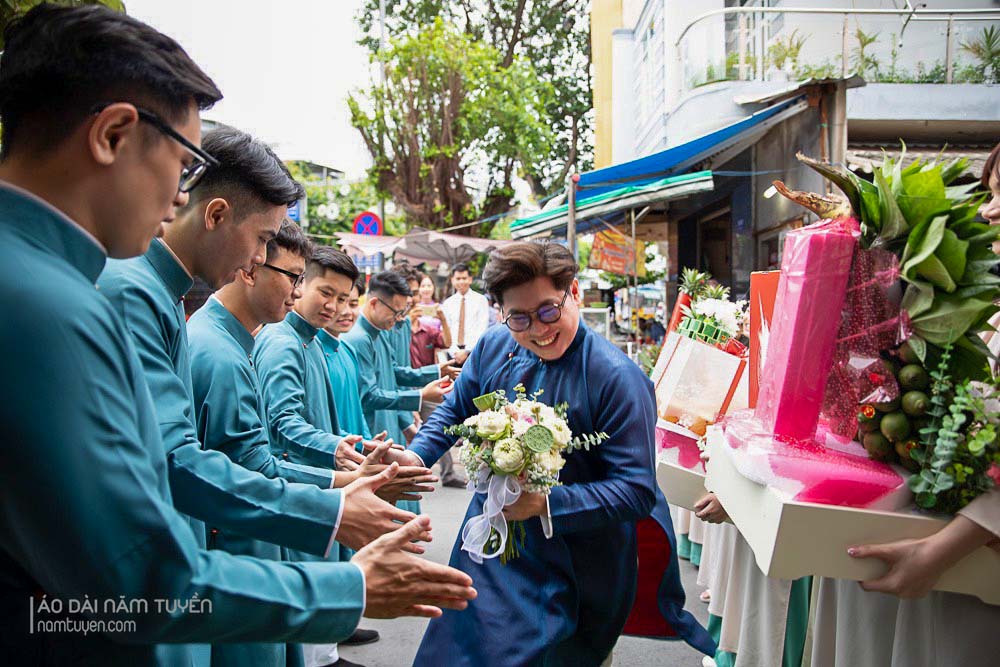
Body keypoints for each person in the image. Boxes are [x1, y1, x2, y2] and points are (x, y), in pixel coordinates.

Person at [0, 5, 475, 665]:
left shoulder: (66, 282)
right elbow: (141, 566)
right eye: (182, 164)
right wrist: (347, 581)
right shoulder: (64, 298)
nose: (178, 197)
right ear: (112, 135)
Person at [96, 127, 425, 666]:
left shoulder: (167, 299)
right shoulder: (140, 295)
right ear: (216, 214)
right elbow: (180, 461)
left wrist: (340, 488)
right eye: (262, 240)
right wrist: (331, 510)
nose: (257, 259)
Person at [393, 242, 716, 665]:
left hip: (579, 559)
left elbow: (636, 491)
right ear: (500, 314)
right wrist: (416, 456)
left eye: (548, 311)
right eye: (519, 318)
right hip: (495, 544)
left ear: (573, 292)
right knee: (464, 651)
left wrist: (544, 503)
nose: (538, 330)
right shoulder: (493, 346)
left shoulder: (617, 378)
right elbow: (456, 408)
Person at [188, 220, 436, 666]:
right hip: (248, 530)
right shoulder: (241, 349)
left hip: (265, 515)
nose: (301, 293)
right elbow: (257, 456)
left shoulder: (283, 341)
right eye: (298, 280)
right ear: (250, 266)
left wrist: (348, 466)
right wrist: (341, 483)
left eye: (344, 298)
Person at [344, 271, 455, 456]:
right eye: (396, 312)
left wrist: (435, 371)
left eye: (403, 312)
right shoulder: (359, 338)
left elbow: (392, 371)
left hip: (387, 424)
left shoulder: (380, 330)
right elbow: (368, 396)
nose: (399, 318)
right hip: (372, 430)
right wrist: (421, 395)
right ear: (374, 303)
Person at [410, 273, 466, 487]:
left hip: (428, 384)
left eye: (425, 287)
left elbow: (447, 342)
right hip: (404, 386)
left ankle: (448, 472)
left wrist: (442, 319)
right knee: (405, 428)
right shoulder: (396, 331)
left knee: (438, 425)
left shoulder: (429, 328)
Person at [440, 262, 490, 363]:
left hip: (474, 352)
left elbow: (482, 328)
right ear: (452, 280)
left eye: (464, 278)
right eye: (458, 279)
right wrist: (454, 352)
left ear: (470, 279)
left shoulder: (481, 300)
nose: (461, 281)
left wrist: (467, 351)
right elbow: (445, 329)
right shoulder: (448, 303)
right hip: (453, 354)